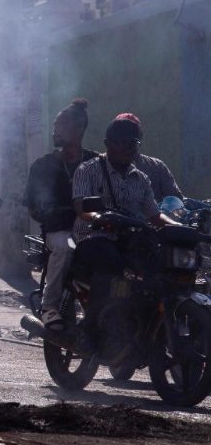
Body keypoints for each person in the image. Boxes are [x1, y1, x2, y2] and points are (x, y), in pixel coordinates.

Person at [71, 115, 177, 351]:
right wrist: (99, 218)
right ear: (108, 143)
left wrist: (179, 228)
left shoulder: (141, 178)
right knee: (111, 264)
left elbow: (155, 215)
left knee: (159, 271)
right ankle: (89, 330)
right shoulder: (88, 170)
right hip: (93, 237)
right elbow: (81, 206)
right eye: (125, 143)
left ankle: (140, 327)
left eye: (134, 144)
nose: (130, 149)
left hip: (129, 240)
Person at [24, 99, 99, 326]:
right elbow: (34, 205)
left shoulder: (96, 162)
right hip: (59, 231)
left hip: (91, 230)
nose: (54, 130)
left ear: (77, 130)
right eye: (55, 125)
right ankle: (49, 306)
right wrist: (54, 214)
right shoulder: (43, 165)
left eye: (60, 125)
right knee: (66, 248)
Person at [107, 113, 184, 202]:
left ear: (139, 139)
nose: (126, 146)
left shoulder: (157, 166)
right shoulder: (99, 169)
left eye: (131, 141)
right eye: (123, 140)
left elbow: (176, 199)